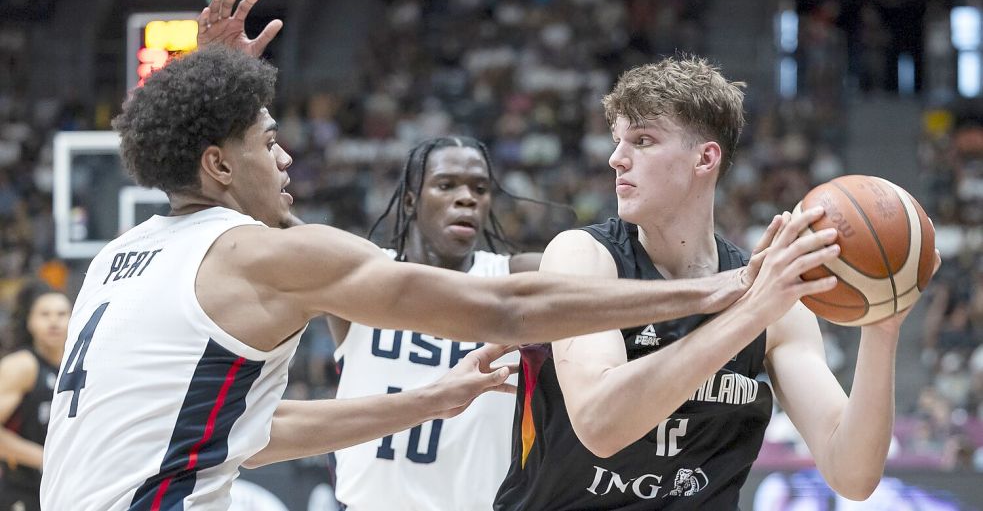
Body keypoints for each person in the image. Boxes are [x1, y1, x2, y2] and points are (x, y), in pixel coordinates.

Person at [38, 44, 835, 510]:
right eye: (265, 140)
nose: (286, 157)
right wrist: (721, 290)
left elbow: (249, 434)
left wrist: (424, 400)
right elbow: (505, 307)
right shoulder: (267, 255)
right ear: (216, 162)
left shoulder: (120, 256)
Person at [494, 56, 942, 510]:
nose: (616, 158)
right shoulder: (583, 256)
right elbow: (600, 423)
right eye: (617, 141)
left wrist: (882, 328)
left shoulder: (778, 303)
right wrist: (751, 313)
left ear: (705, 158)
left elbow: (853, 474)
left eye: (643, 140)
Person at [329, 136, 541, 510]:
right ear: (411, 200)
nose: (467, 198)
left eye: (480, 188)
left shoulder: (512, 279)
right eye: (447, 185)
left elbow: (600, 269)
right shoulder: (361, 275)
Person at [0, 282, 71, 511]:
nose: (54, 321)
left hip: (67, 487)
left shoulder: (80, 364)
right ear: (29, 321)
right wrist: (46, 458)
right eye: (44, 314)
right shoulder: (22, 365)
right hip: (23, 487)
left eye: (61, 314)